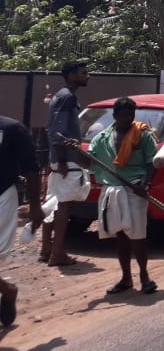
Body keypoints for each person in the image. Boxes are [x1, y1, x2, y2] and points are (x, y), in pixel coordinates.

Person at [81, 97, 159, 294]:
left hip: (134, 188)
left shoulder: (142, 135)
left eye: (131, 115)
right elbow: (88, 163)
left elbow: (152, 163)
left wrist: (146, 182)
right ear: (115, 116)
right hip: (111, 189)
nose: (128, 118)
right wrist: (75, 152)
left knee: (138, 234)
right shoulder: (102, 137)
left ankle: (145, 276)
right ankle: (126, 278)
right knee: (121, 235)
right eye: (124, 115)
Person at [40, 60, 90, 267]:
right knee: (63, 206)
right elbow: (58, 132)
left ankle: (46, 250)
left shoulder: (63, 97)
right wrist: (61, 159)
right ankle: (57, 253)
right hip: (66, 160)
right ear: (70, 75)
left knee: (52, 203)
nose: (87, 76)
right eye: (82, 73)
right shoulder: (67, 98)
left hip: (61, 159)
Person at [1, 116, 44, 327]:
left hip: (2, 197)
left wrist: (35, 206)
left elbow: (31, 168)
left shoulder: (12, 129)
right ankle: (7, 289)